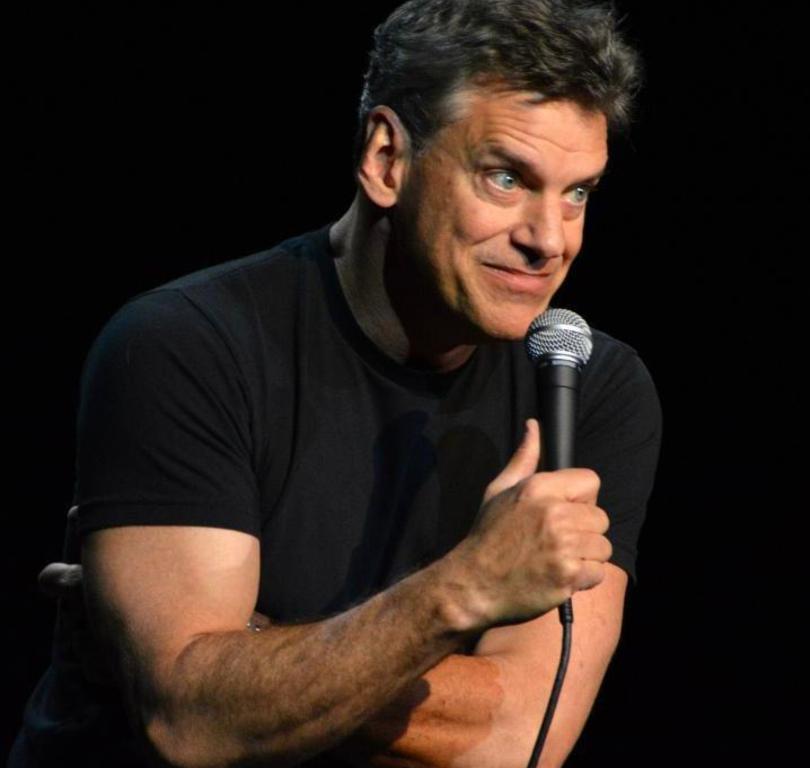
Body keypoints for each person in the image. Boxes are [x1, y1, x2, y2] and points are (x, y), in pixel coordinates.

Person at [10, 1, 662, 766]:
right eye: (505, 178)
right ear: (387, 160)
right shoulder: (186, 345)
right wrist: (467, 588)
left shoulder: (589, 387)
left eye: (578, 192)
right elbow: (192, 728)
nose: (549, 239)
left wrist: (248, 656)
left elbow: (517, 738)